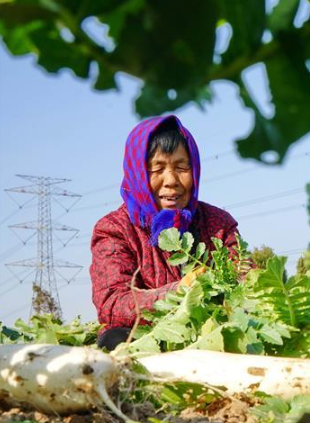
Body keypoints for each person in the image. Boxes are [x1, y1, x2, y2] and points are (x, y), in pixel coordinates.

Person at [90, 115, 240, 350]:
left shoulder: (218, 224)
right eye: (156, 169)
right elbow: (112, 303)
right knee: (115, 341)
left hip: (210, 330)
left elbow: (244, 276)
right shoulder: (115, 229)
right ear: (137, 173)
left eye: (182, 167)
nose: (171, 181)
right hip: (148, 336)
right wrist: (179, 292)